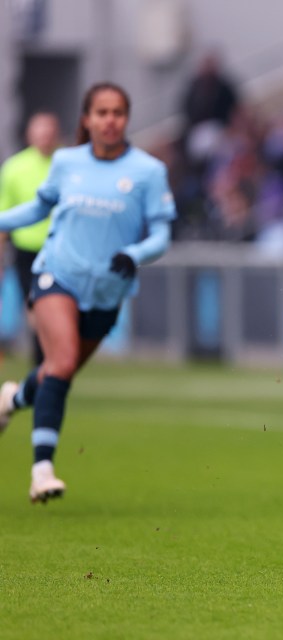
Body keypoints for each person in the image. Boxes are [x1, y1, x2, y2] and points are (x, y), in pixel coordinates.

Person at [0, 82, 177, 503]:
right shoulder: (66, 162)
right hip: (56, 273)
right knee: (58, 362)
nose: (109, 120)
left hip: (107, 291)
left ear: (126, 119)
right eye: (101, 112)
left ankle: (11, 397)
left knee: (55, 375)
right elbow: (39, 209)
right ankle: (42, 470)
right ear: (86, 119)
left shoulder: (147, 171)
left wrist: (135, 253)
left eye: (117, 112)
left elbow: (163, 233)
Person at [0, 111, 61, 365]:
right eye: (40, 131)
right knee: (36, 306)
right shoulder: (15, 167)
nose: (45, 137)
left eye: (49, 132)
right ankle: (43, 362)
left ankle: (49, 359)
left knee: (54, 308)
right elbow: (7, 211)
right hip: (27, 250)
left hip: (60, 249)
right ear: (30, 135)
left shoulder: (66, 165)